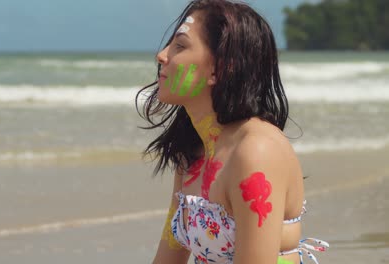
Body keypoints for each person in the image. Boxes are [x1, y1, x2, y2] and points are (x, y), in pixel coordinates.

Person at [136, 0, 329, 263]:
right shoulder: (193, 149)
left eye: (179, 46)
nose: (162, 55)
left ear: (220, 68)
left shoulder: (256, 151)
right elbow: (169, 257)